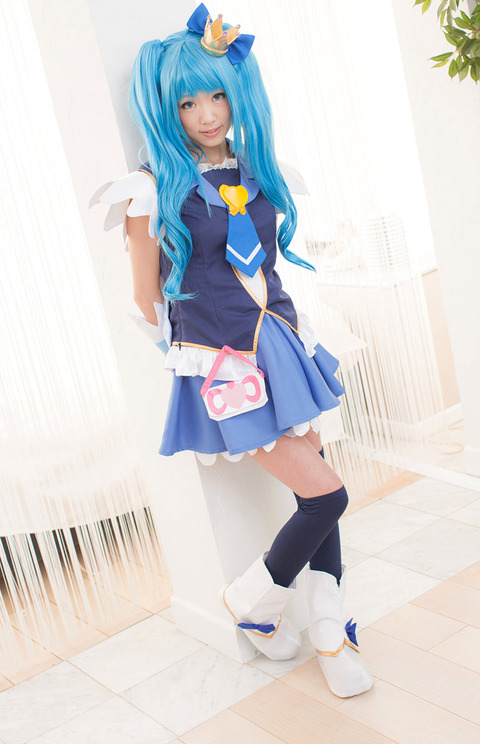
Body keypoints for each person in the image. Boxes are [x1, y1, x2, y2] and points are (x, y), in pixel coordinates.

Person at [92, 3, 372, 698]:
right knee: (327, 496)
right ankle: (252, 599)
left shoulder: (255, 167)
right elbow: (145, 298)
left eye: (216, 95)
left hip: (283, 342)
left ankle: (328, 629)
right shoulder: (150, 191)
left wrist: (284, 336)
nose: (207, 114)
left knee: (320, 486)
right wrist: (203, 358)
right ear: (167, 110)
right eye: (187, 103)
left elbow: (266, 266)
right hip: (226, 362)